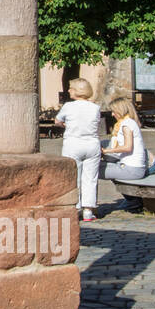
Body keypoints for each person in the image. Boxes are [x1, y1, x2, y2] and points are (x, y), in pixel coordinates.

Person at [55, 78, 102, 222]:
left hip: (73, 143)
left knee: (74, 177)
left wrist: (66, 125)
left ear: (77, 90)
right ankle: (88, 210)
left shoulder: (69, 106)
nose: (69, 90)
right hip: (92, 143)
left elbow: (57, 121)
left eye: (71, 88)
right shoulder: (95, 107)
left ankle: (75, 207)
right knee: (90, 178)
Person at [101, 98, 147, 210]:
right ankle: (132, 199)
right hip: (133, 167)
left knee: (92, 169)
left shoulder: (126, 124)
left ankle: (132, 200)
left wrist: (106, 151)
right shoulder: (129, 122)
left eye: (113, 111)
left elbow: (127, 147)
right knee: (105, 164)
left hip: (132, 169)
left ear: (120, 110)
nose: (112, 114)